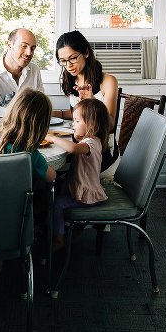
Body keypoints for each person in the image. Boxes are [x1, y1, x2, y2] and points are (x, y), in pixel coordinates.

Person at [0, 88, 57, 279]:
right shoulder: (30, 154)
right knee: (45, 190)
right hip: (15, 221)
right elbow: (53, 177)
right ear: (41, 126)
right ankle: (41, 246)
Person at [45, 98, 111, 252]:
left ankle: (59, 238)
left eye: (76, 121)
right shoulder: (92, 140)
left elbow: (74, 149)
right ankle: (54, 227)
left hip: (88, 196)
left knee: (58, 204)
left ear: (91, 125)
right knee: (53, 186)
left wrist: (52, 138)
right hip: (82, 188)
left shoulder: (91, 144)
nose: (72, 124)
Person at [53, 30, 120, 172]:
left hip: (101, 156)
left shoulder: (108, 81)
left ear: (86, 53)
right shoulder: (72, 80)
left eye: (73, 58)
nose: (68, 65)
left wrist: (92, 102)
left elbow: (109, 125)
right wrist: (49, 113)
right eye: (63, 61)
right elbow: (76, 114)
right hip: (80, 149)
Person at [0, 28, 45, 108]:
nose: (29, 53)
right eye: (24, 46)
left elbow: (40, 102)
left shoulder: (34, 70)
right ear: (9, 45)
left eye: (32, 48)